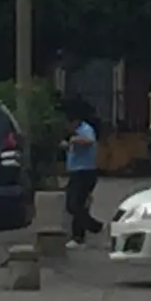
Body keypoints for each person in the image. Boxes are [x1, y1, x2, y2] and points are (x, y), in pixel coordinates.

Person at [63, 102, 103, 248]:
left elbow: (89, 141)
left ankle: (79, 236)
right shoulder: (75, 132)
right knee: (72, 205)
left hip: (85, 172)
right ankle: (93, 226)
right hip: (76, 172)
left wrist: (74, 140)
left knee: (76, 204)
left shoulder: (85, 129)